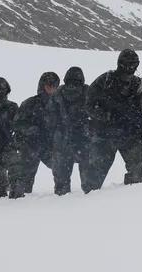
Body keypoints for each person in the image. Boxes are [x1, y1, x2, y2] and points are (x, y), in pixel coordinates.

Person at [84, 49, 142, 191]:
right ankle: (87, 207)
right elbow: (88, 105)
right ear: (120, 64)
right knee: (94, 181)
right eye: (127, 64)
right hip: (105, 134)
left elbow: (140, 110)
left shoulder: (137, 84)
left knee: (137, 175)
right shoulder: (105, 80)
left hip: (128, 134)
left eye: (134, 64)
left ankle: (129, 201)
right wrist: (107, 116)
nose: (131, 68)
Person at [8, 71, 60, 198]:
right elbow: (17, 124)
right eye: (49, 85)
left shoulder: (58, 104)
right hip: (30, 146)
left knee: (61, 168)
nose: (52, 89)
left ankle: (63, 198)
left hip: (50, 145)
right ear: (42, 86)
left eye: (54, 86)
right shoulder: (30, 103)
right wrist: (30, 129)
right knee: (25, 179)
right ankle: (21, 201)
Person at [51, 66, 91, 194]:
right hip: (84, 141)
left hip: (63, 142)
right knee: (90, 187)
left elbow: (49, 119)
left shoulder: (58, 93)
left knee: (61, 187)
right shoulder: (88, 91)